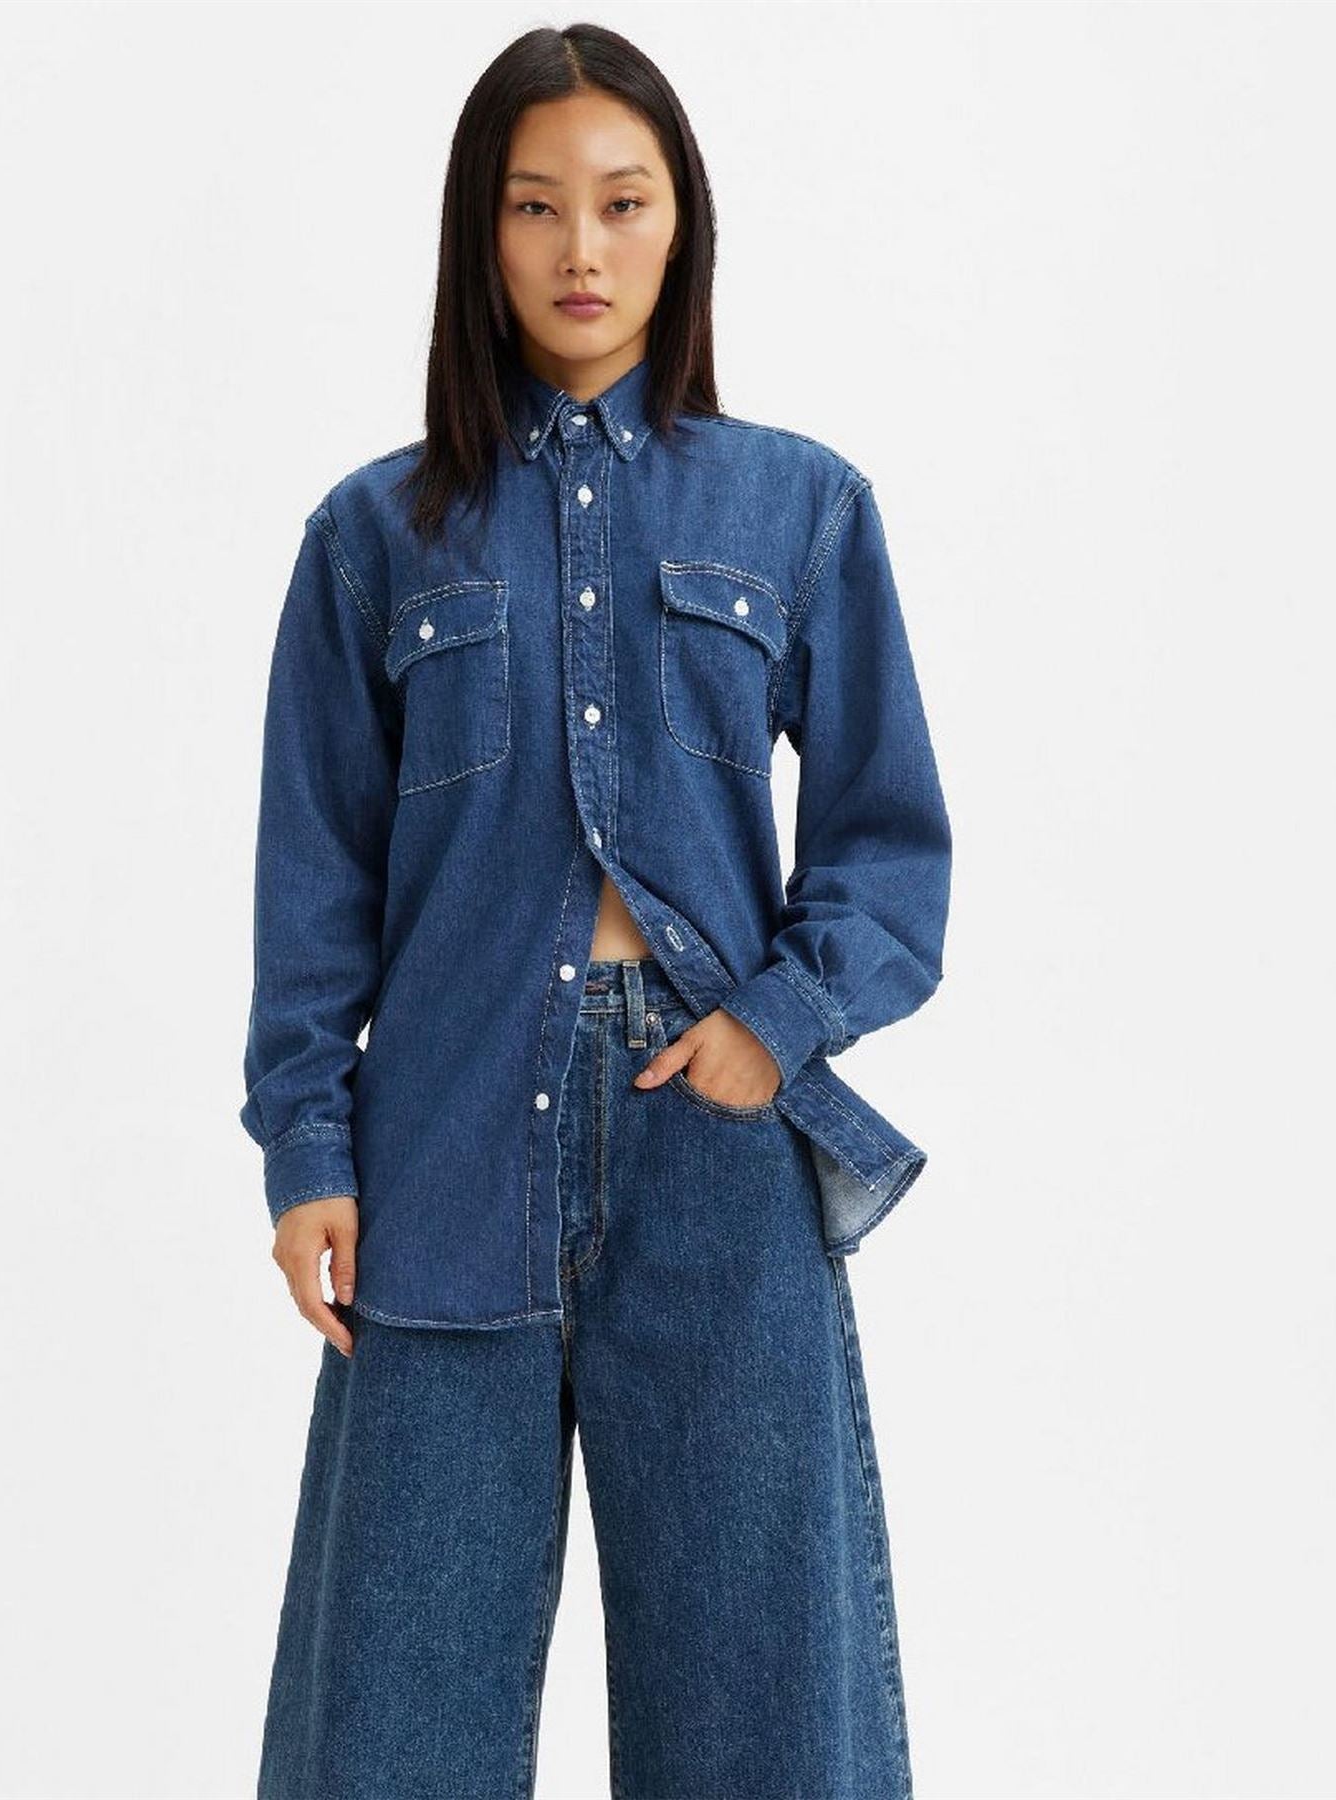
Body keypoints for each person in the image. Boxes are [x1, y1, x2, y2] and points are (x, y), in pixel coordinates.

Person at [239, 22, 951, 1799]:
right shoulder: (372, 537)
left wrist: (771, 1029)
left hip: (715, 1149)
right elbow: (313, 880)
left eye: (623, 203)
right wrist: (307, 1146)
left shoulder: (799, 506)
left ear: (680, 224)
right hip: (444, 1150)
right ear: (479, 235)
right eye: (535, 205)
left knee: (761, 1715)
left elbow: (890, 854)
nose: (580, 249)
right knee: (391, 1720)